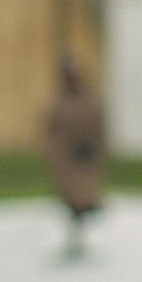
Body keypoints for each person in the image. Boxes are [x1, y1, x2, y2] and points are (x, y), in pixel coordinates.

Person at [43, 53, 106, 258]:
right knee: (71, 201)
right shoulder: (61, 101)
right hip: (67, 161)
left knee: (82, 201)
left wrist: (94, 148)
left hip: (84, 158)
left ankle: (80, 237)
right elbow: (52, 129)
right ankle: (74, 237)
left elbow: (98, 127)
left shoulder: (87, 100)